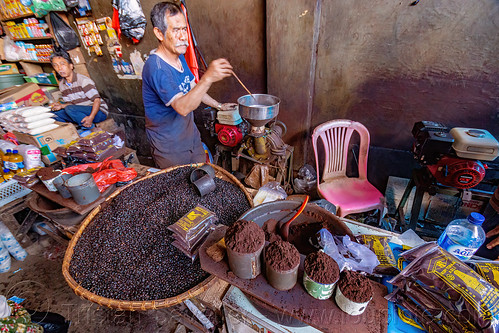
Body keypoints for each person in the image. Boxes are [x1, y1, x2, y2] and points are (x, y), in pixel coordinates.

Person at [142, 2, 237, 168]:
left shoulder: (179, 57)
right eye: (175, 30)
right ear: (159, 33)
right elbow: (182, 107)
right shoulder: (156, 68)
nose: (183, 37)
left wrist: (219, 105)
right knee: (182, 190)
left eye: (184, 29)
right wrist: (207, 78)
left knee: (204, 177)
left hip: (190, 137)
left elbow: (192, 86)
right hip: (169, 147)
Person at [50, 50, 108, 128]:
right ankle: (70, 131)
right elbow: (72, 104)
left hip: (98, 112)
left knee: (70, 109)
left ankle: (90, 128)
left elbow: (97, 100)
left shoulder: (83, 80)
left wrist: (91, 117)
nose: (60, 68)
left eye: (62, 64)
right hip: (79, 111)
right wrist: (61, 106)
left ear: (71, 66)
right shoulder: (62, 85)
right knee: (55, 114)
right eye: (55, 65)